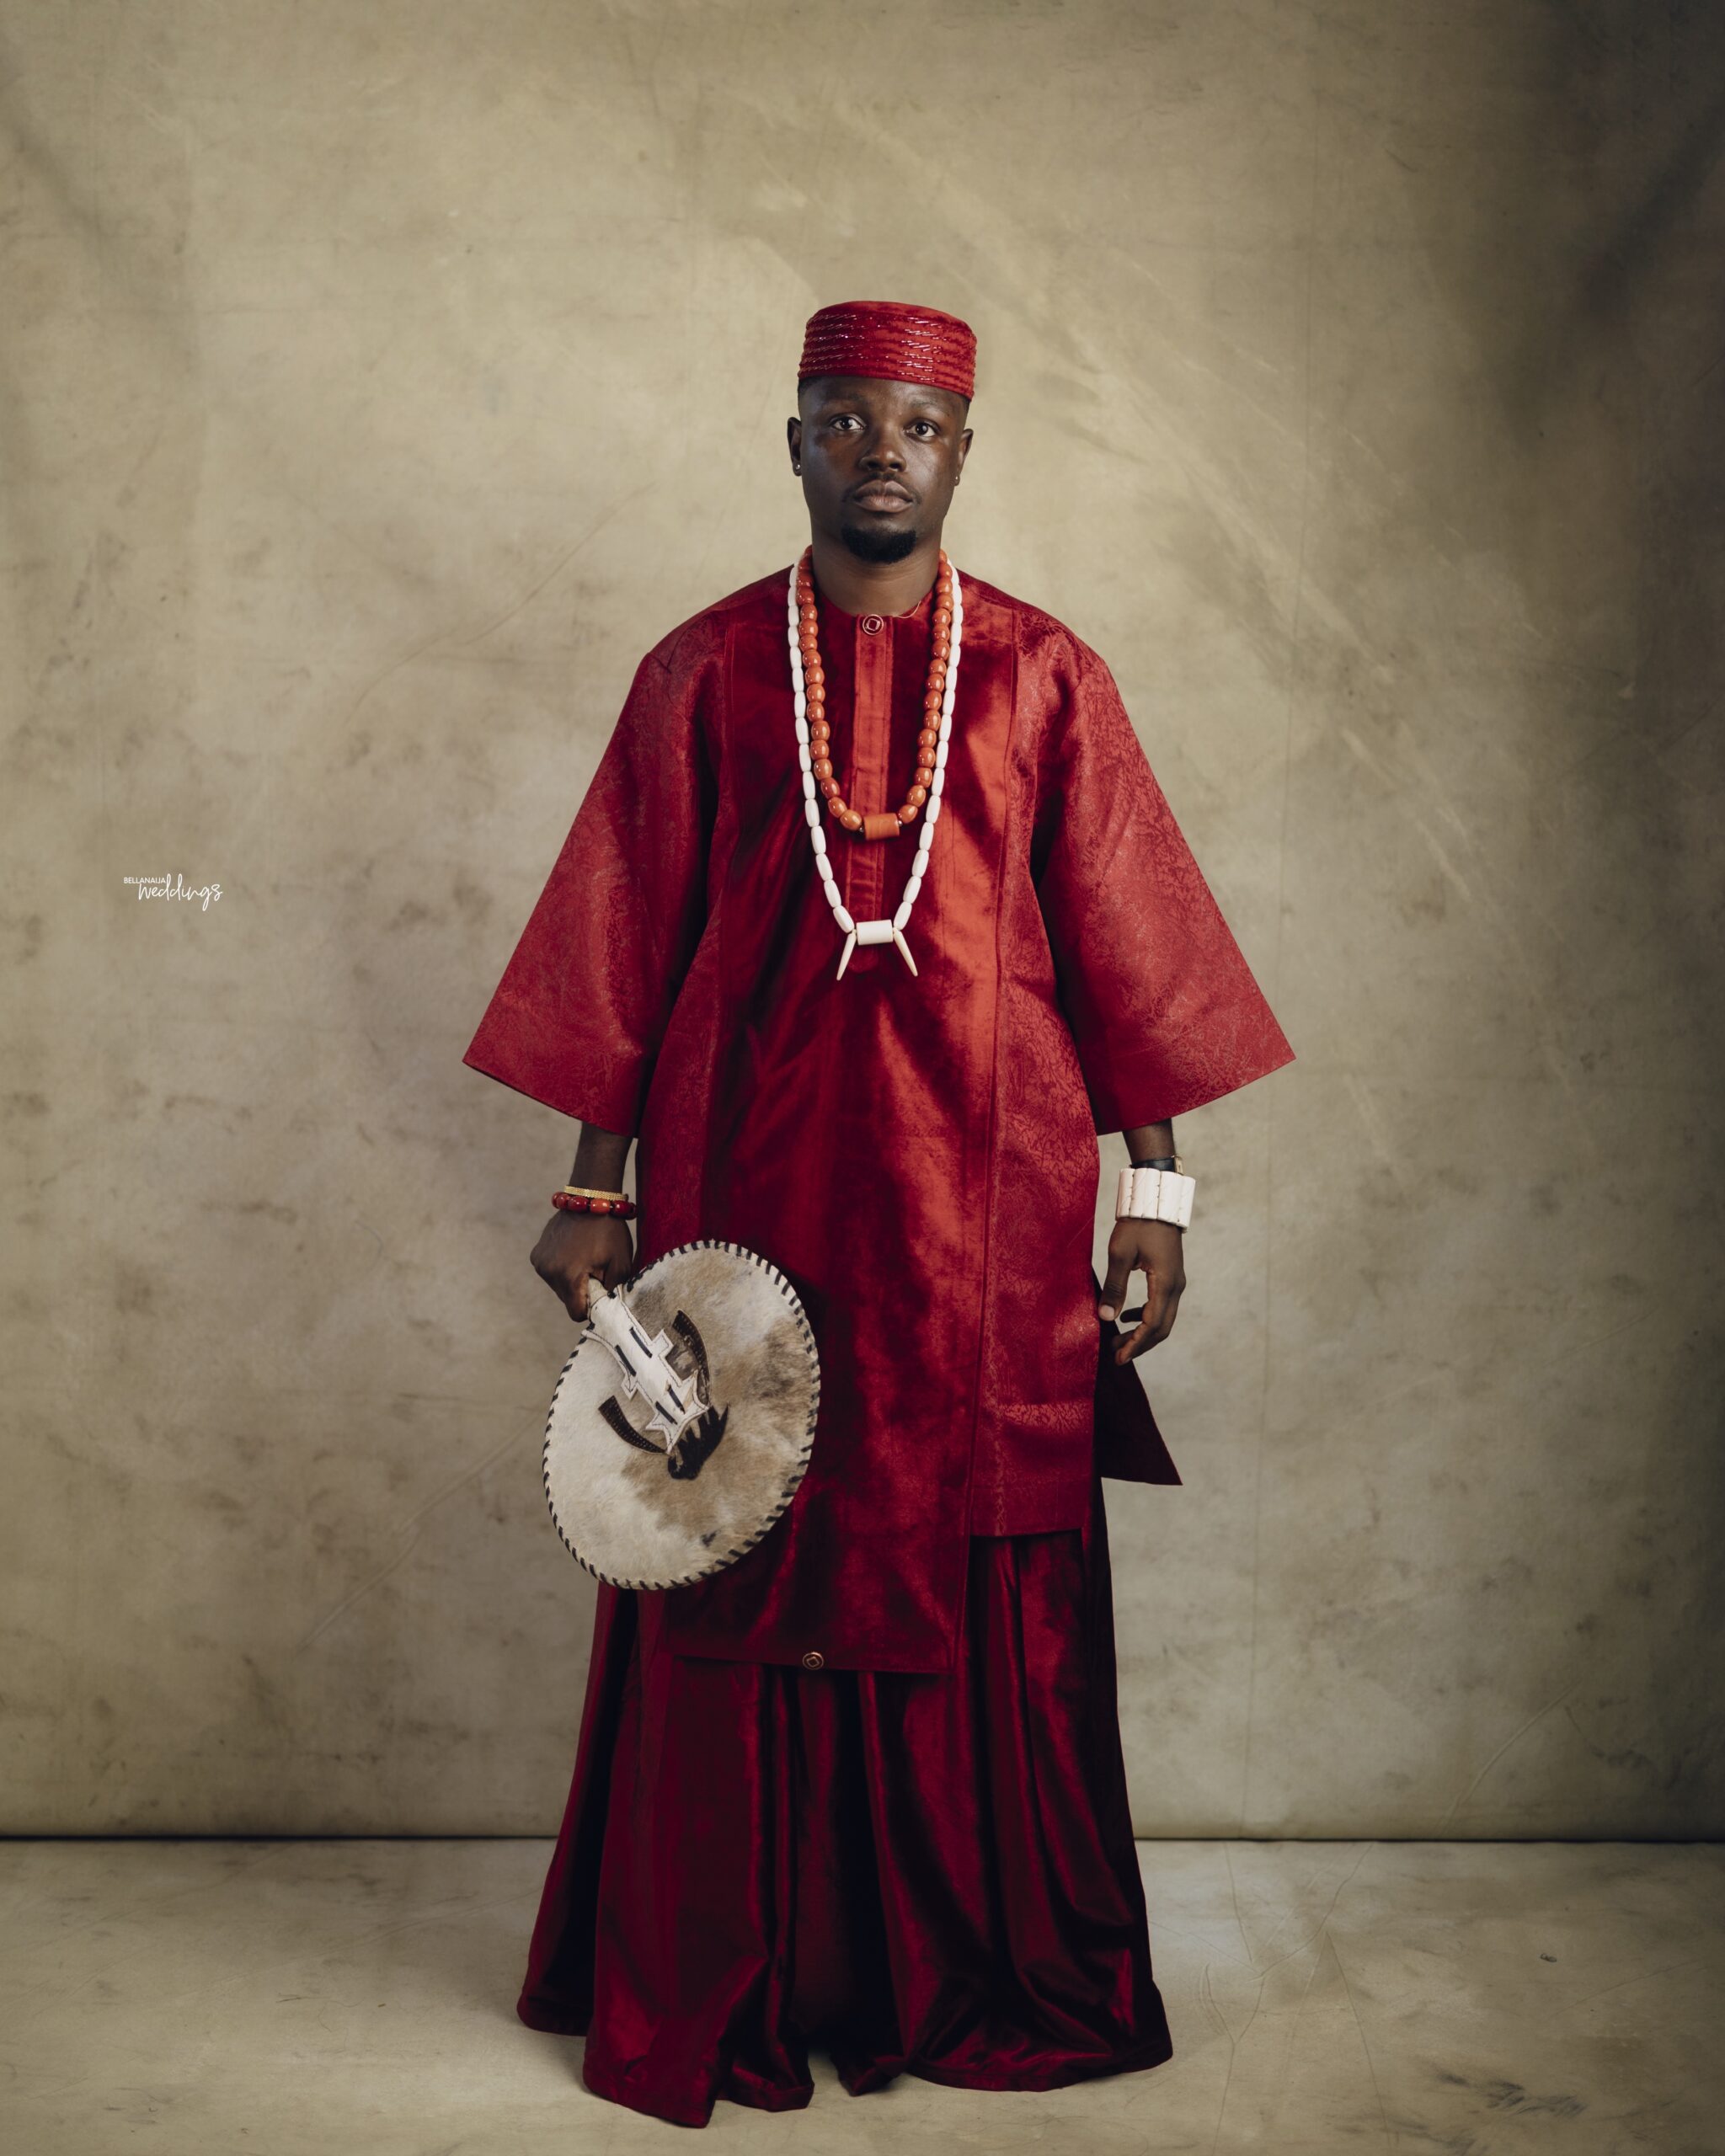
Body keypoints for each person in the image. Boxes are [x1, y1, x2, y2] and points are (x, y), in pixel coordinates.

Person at [462, 300, 1294, 2127]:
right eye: (844, 421)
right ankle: (737, 1970)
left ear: (963, 450)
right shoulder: (703, 672)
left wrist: (1156, 1186)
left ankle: (970, 1967)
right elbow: (628, 938)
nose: (881, 454)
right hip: (742, 1196)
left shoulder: (1045, 676)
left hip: (984, 1210)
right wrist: (591, 1181)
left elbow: (1125, 947)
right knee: (743, 1522)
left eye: (916, 425)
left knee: (977, 1522)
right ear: (795, 443)